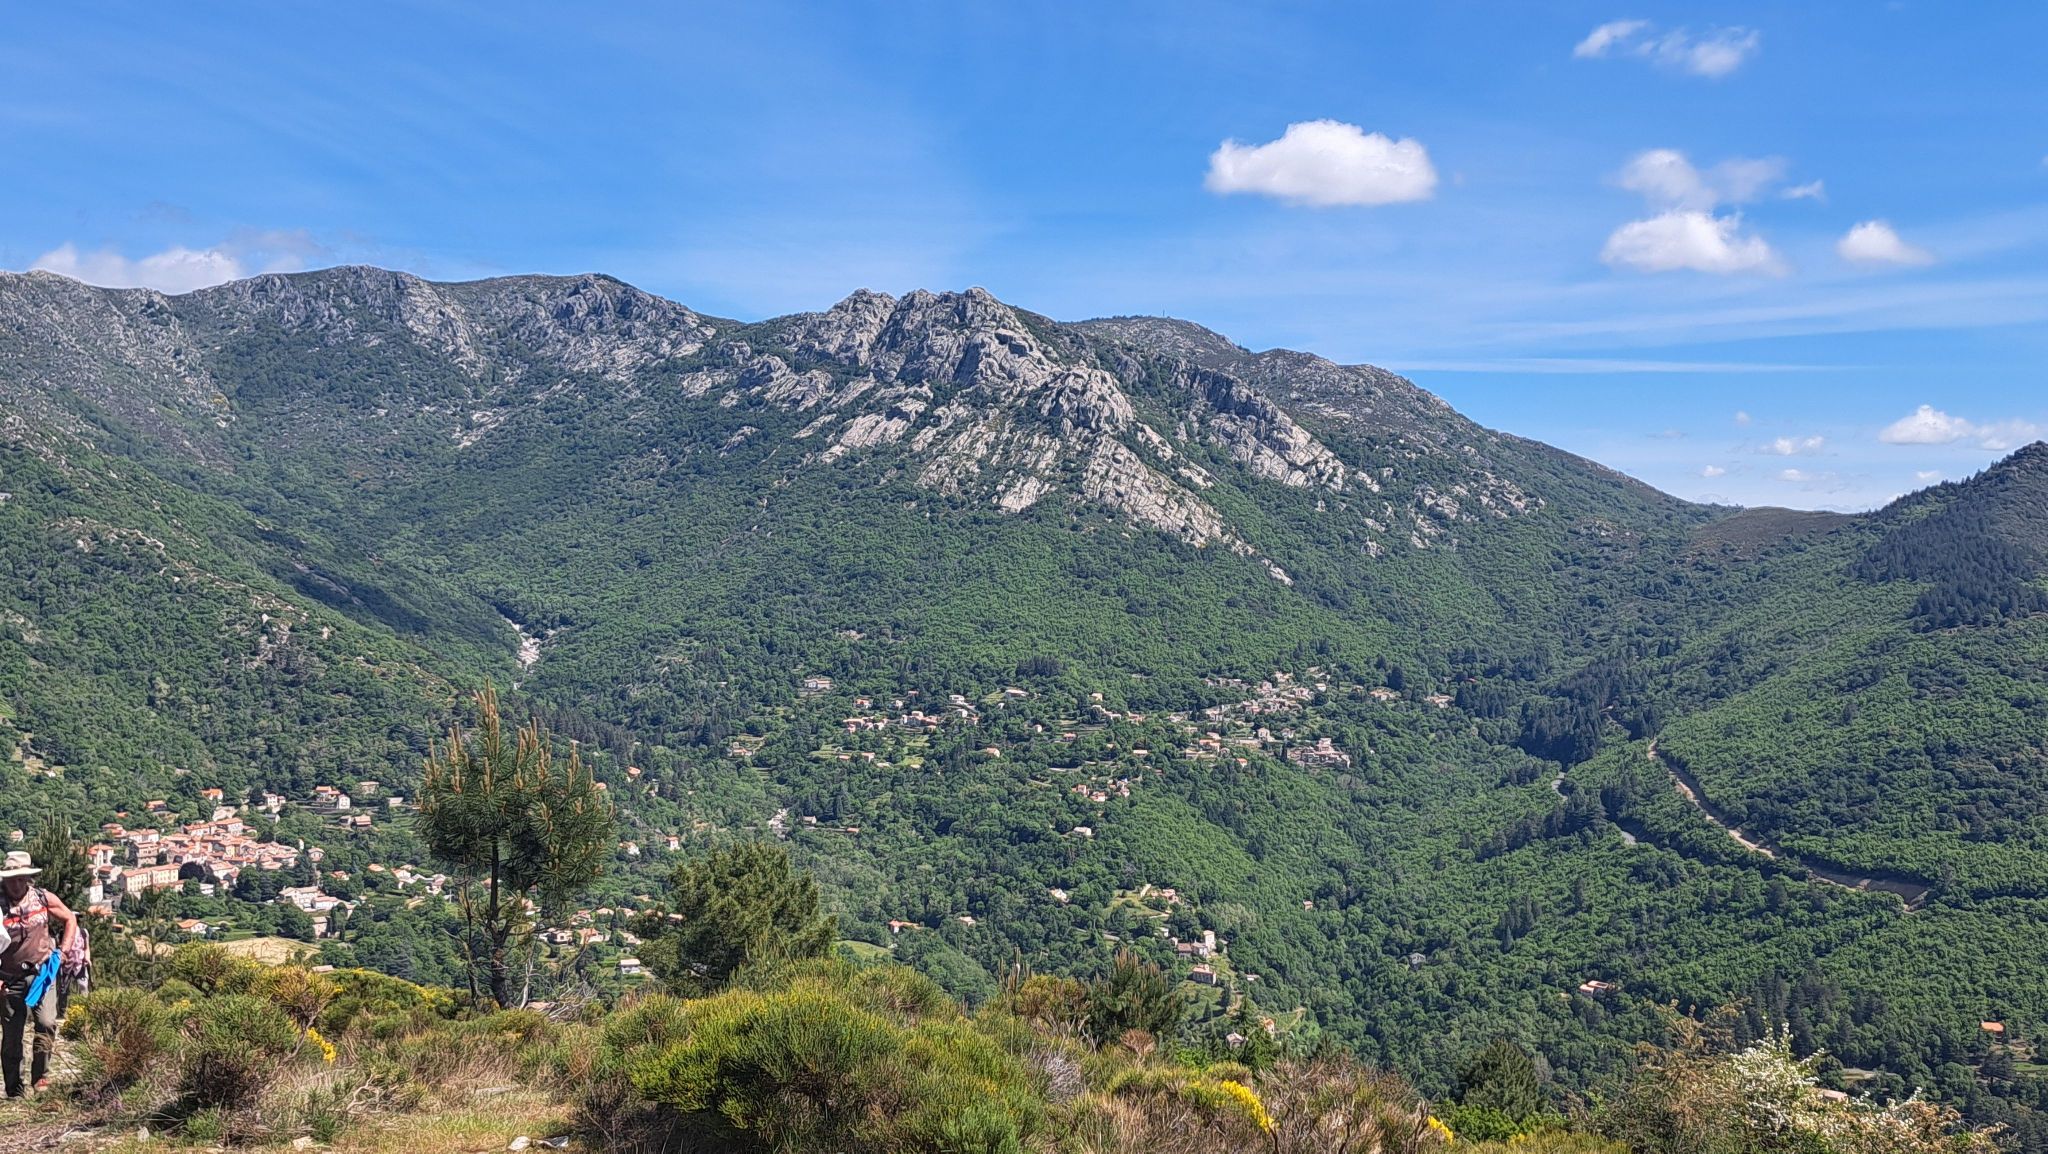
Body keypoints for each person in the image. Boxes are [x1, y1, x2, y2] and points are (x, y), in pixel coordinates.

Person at [1, 851, 80, 1097]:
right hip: (9, 978)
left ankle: (40, 1078)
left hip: (43, 973)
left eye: (21, 878)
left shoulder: (42, 898)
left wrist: (63, 952)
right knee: (12, 1036)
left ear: (28, 878)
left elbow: (69, 918)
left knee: (46, 1023)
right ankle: (14, 1089)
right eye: (12, 879)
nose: (16, 884)